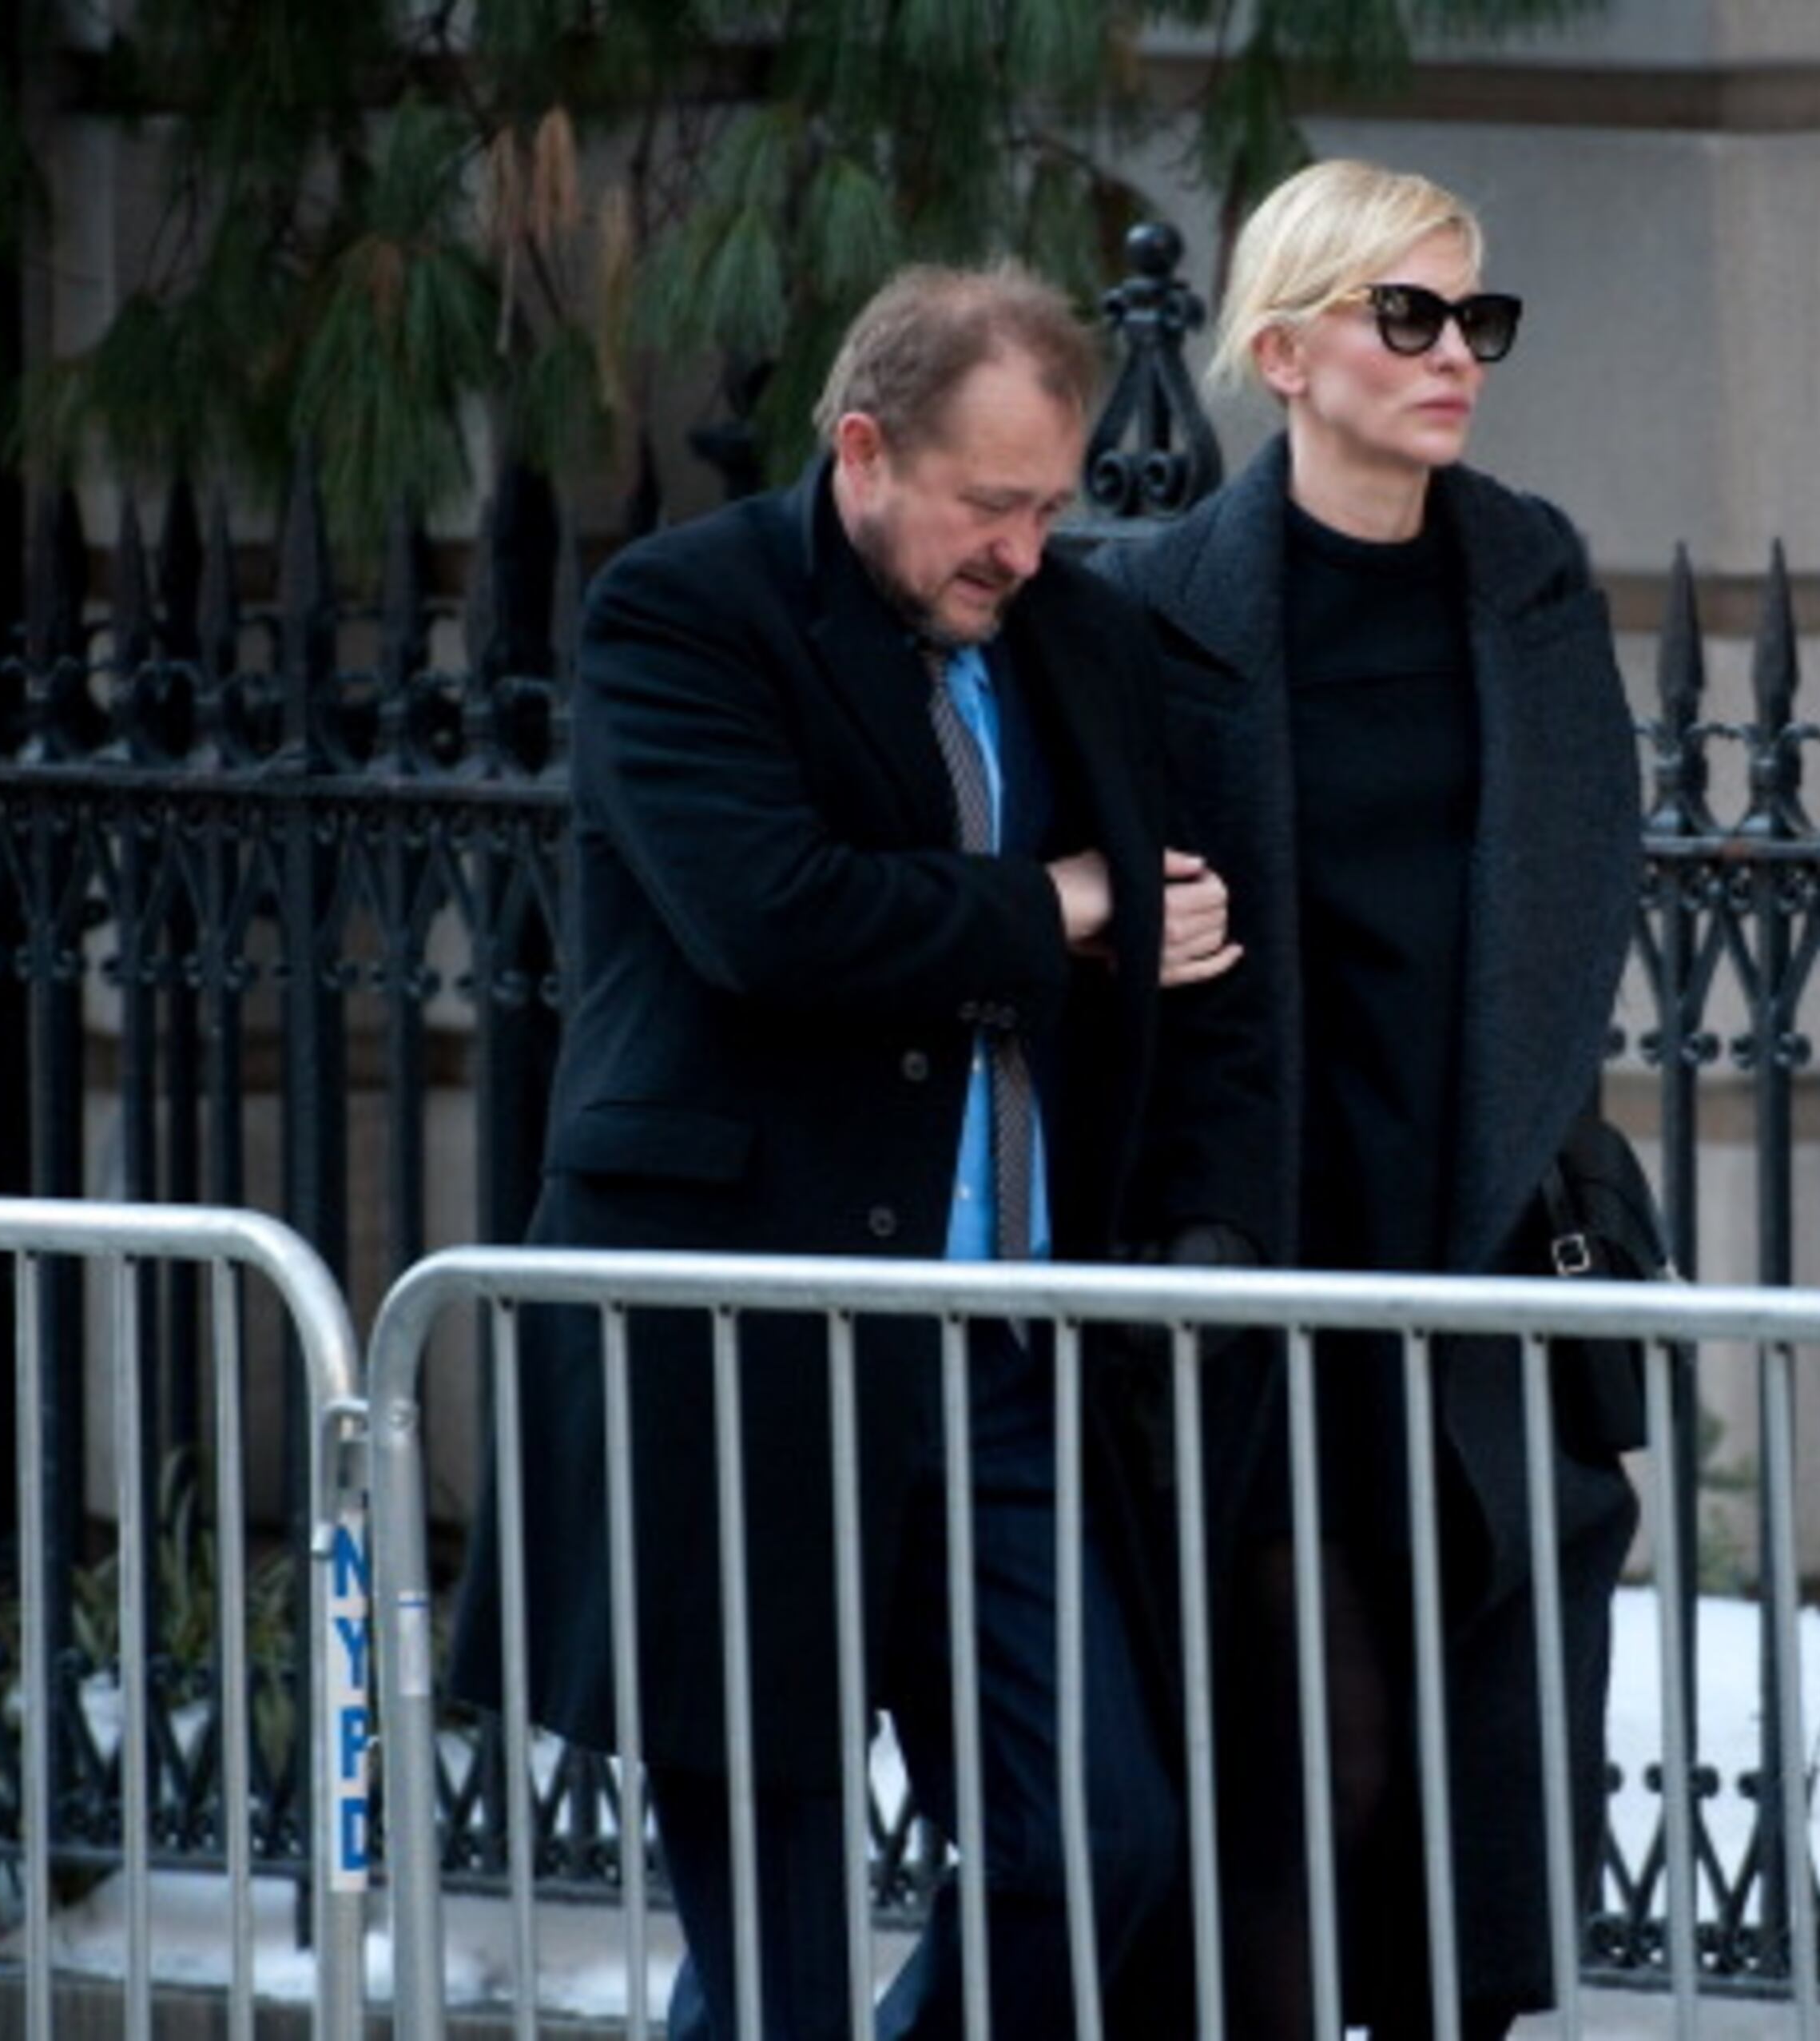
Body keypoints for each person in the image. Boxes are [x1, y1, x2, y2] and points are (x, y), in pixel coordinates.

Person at [450, 262, 1264, 2041]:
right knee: (779, 1950)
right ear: (866, 449)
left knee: (1100, 1845)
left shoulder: (1077, 639)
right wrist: (1057, 907)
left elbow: (1161, 954)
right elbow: (771, 917)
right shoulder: (684, 612)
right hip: (742, 1351)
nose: (1026, 550)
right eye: (991, 504)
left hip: (999, 1355)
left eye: (1050, 507)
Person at [1099, 159, 1647, 2039]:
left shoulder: (1529, 577)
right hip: (1266, 1289)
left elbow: (1578, 906)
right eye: (1405, 318)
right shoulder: (1164, 608)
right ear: (1282, 349)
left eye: (1473, 319)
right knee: (1308, 1782)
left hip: (1480, 1269)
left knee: (1473, 1813)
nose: (1453, 358)